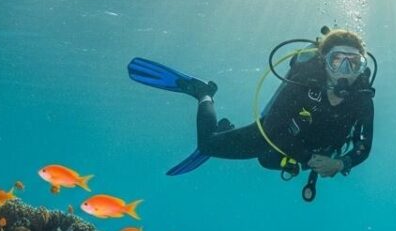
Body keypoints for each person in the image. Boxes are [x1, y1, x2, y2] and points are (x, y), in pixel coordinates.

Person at [128, 28, 375, 194]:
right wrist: (310, 159)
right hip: (277, 135)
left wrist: (340, 163)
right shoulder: (303, 84)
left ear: (362, 67)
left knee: (267, 162)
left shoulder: (362, 99)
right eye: (337, 60)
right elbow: (273, 129)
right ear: (323, 61)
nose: (344, 69)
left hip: (308, 151)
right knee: (207, 145)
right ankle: (202, 92)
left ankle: (229, 131)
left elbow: (365, 145)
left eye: (353, 62)